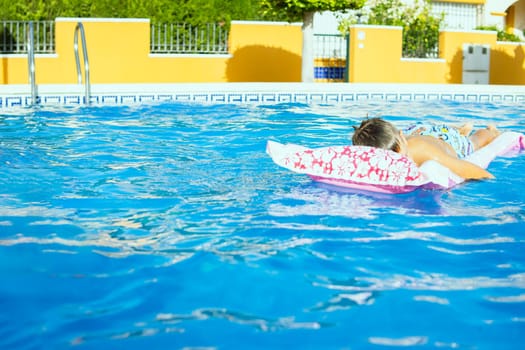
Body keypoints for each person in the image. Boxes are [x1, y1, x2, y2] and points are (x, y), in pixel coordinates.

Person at [351, 117, 501, 180]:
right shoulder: (391, 146)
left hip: (447, 139)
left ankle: (490, 131)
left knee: (474, 141)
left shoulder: (423, 150)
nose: (397, 161)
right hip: (417, 130)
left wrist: (491, 180)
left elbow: (467, 169)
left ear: (402, 139)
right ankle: (461, 128)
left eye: (399, 155)